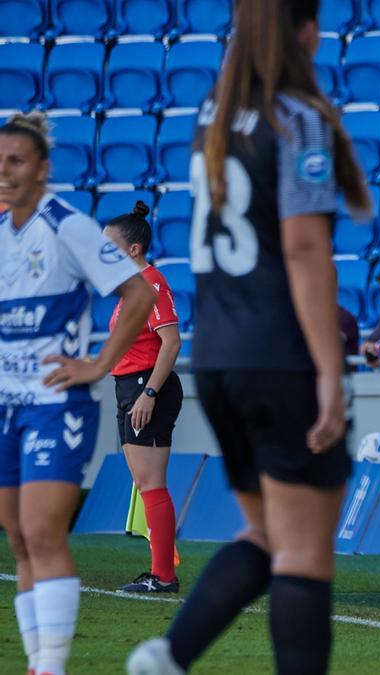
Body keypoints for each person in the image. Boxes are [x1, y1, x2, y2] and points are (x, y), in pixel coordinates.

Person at [125, 2, 371, 673]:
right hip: (278, 353)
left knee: (265, 535)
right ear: (303, 31)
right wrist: (329, 371)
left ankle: (168, 655)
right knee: (303, 551)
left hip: (222, 357)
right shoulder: (297, 116)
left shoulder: (214, 110)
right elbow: (303, 249)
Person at [0, 112, 155, 675]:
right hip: (6, 406)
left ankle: (51, 668)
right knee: (19, 537)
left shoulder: (68, 226)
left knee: (42, 529)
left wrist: (98, 365)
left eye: (16, 161)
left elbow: (136, 295)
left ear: (42, 169)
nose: (5, 172)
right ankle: (38, 662)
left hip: (55, 404)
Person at [103, 201, 186, 594]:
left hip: (145, 388)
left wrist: (150, 392)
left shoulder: (151, 283)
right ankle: (160, 570)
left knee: (152, 483)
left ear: (133, 249)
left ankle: (164, 576)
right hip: (130, 386)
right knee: (144, 480)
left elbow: (171, 342)